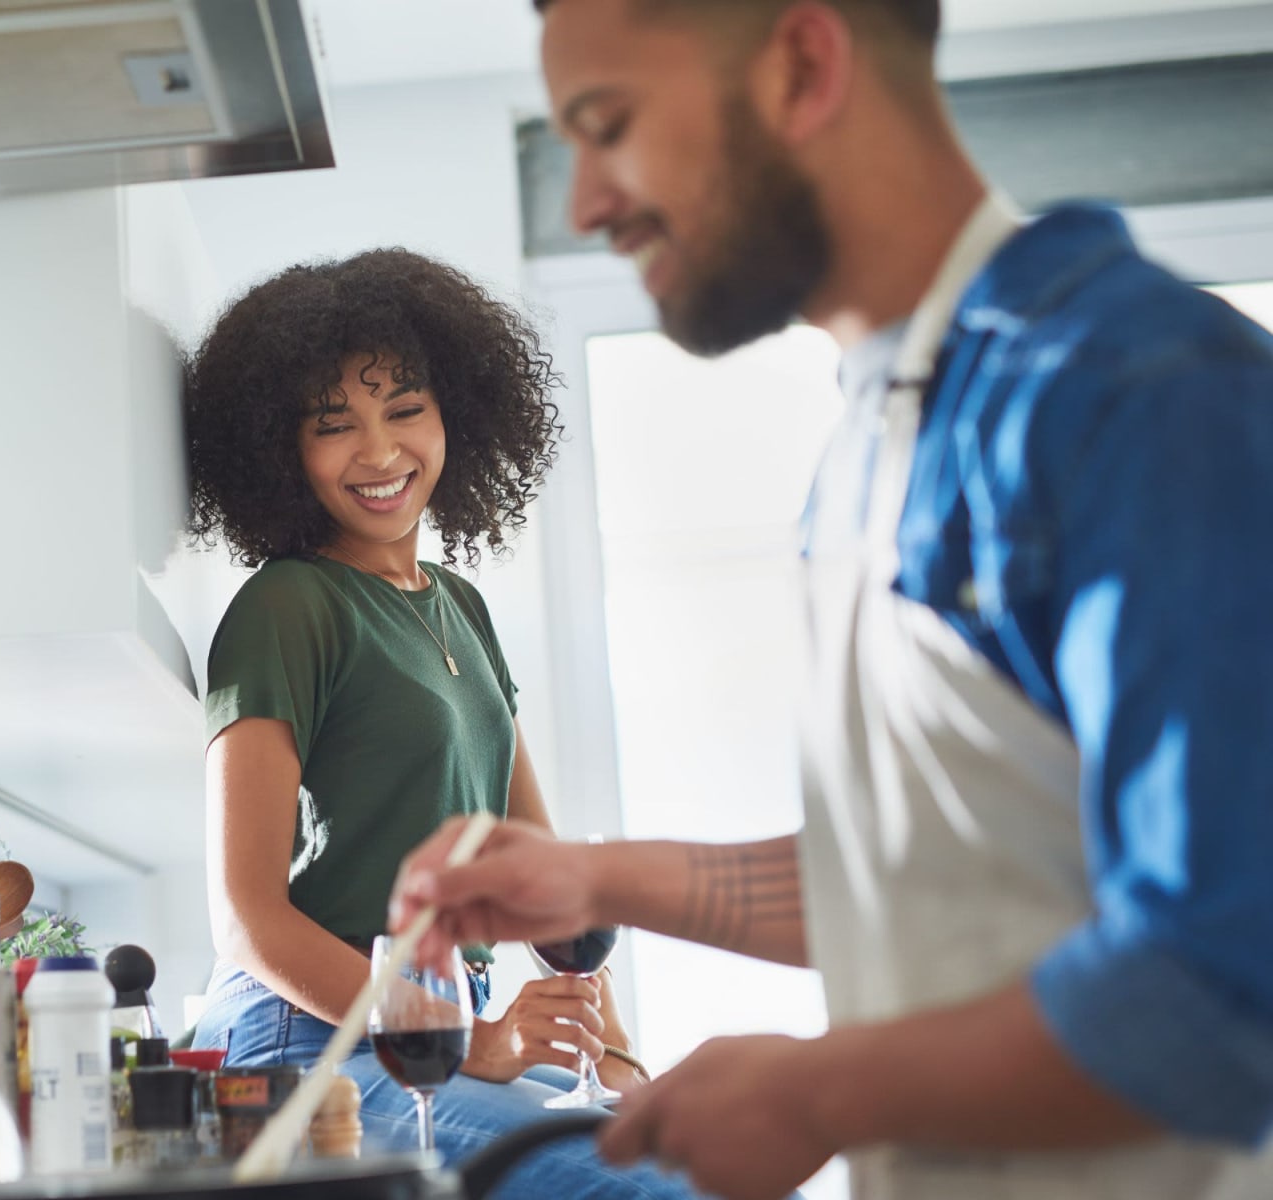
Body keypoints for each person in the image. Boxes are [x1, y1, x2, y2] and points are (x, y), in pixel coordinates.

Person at [390, 1, 1273, 1198]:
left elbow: (1226, 979)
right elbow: (943, 880)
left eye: (609, 127)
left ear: (802, 66)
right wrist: (597, 880)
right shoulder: (869, 440)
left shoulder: (1137, 397)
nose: (584, 204)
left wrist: (818, 1090)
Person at [184, 247, 696, 1199]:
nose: (380, 454)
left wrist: (618, 1055)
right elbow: (247, 922)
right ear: (281, 452)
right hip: (308, 1047)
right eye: (334, 427)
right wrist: (476, 1038)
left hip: (436, 1036)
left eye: (405, 410)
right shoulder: (287, 607)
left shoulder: (459, 606)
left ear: (456, 411)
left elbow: (548, 880)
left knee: (727, 1169)